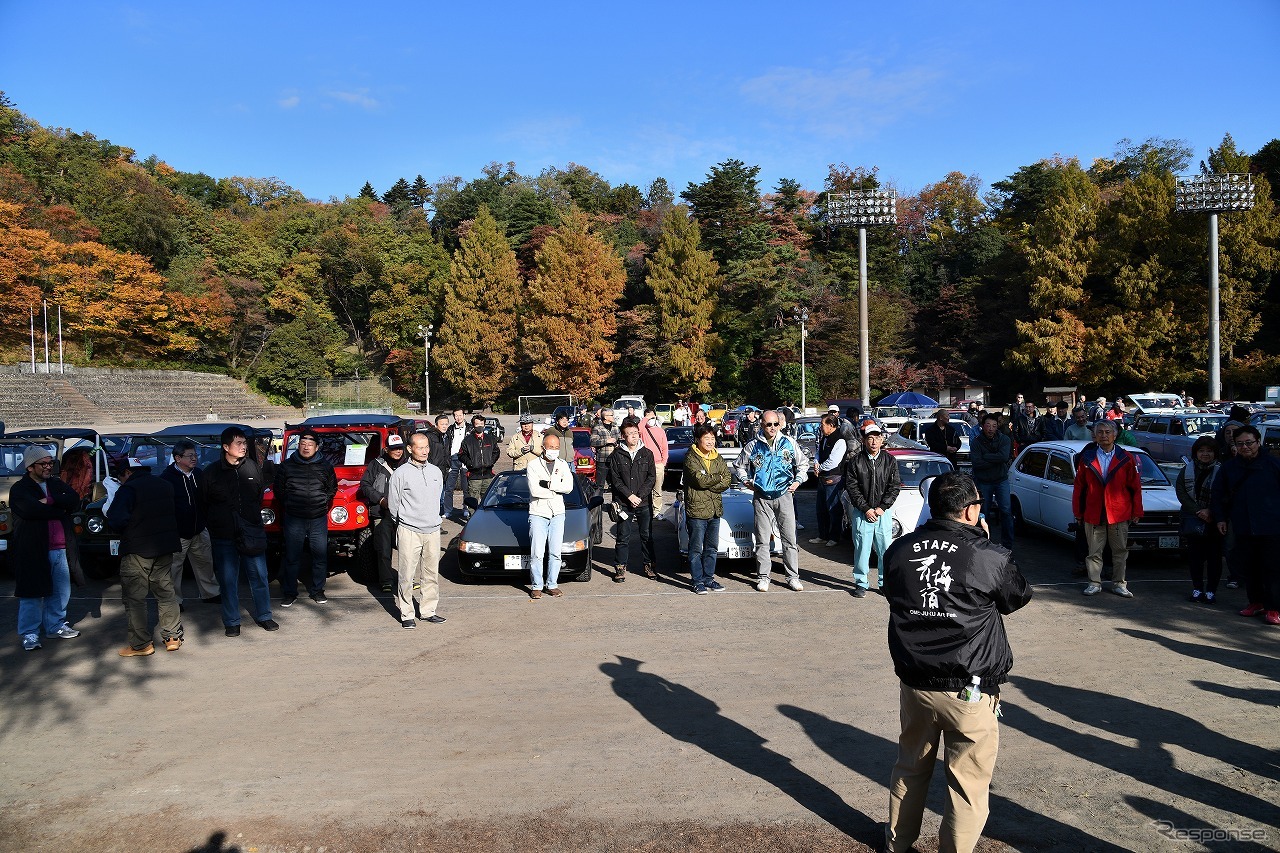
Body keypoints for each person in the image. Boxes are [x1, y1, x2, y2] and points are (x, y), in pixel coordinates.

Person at [883, 472, 1032, 853]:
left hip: (915, 683)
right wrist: (982, 542)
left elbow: (894, 593)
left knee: (910, 769)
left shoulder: (899, 550)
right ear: (970, 510)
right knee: (967, 784)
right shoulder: (988, 555)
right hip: (970, 688)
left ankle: (897, 845)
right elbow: (1016, 597)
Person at [203, 426, 277, 636]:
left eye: (245, 443)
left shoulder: (253, 468)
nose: (244, 447)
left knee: (260, 577)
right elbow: (204, 503)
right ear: (226, 447)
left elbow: (258, 497)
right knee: (228, 581)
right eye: (239, 443)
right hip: (224, 536)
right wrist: (217, 524)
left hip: (251, 533)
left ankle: (264, 615)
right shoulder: (211, 473)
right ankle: (232, 621)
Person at [108, 459, 182, 656]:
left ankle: (141, 644)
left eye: (119, 476)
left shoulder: (128, 489)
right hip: (165, 546)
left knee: (135, 598)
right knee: (165, 592)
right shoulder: (165, 485)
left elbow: (116, 519)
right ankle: (173, 636)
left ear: (126, 473)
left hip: (137, 549)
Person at [11, 446, 82, 651]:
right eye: (43, 463)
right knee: (32, 592)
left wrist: (50, 501)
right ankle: (30, 633)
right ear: (30, 467)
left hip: (59, 547)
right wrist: (60, 509)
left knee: (61, 591)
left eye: (50, 463)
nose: (48, 467)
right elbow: (30, 510)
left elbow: (74, 500)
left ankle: (55, 625)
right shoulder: (20, 489)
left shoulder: (56, 484)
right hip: (33, 549)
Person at [1212, 425, 1280, 624]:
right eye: (1240, 444)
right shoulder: (1229, 468)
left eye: (1249, 443)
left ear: (1258, 442)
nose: (1245, 447)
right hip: (1243, 525)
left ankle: (1274, 608)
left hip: (1272, 526)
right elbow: (1218, 494)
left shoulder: (1273, 465)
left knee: (1273, 568)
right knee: (1249, 567)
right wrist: (1220, 518)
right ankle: (1255, 602)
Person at [734, 410, 807, 592]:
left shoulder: (789, 443)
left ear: (780, 424)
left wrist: (798, 480)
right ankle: (763, 577)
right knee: (762, 539)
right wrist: (746, 481)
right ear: (762, 425)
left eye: (775, 424)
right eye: (768, 424)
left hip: (784, 495)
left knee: (789, 538)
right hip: (761, 497)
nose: (772, 428)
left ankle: (792, 577)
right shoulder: (752, 446)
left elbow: (803, 463)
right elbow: (739, 465)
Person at [1072, 420, 1142, 598]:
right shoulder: (1087, 457)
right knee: (1094, 552)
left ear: (1115, 435)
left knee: (1119, 551)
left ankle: (1119, 583)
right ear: (1095, 435)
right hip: (1093, 512)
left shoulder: (1126, 457)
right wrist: (1078, 512)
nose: (1104, 435)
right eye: (1100, 432)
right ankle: (1094, 583)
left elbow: (1135, 486)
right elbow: (1079, 487)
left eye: (1108, 432)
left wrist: (1137, 511)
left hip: (1118, 512)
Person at [387, 432, 446, 628]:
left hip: (432, 530)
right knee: (406, 574)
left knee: (430, 573)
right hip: (409, 530)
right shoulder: (400, 473)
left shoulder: (436, 472)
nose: (424, 451)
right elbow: (394, 505)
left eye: (427, 447)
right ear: (410, 449)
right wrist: (404, 522)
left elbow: (438, 498)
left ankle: (428, 611)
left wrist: (433, 520)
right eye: (420, 448)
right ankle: (407, 614)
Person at [274, 429, 338, 607]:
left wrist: (324, 502)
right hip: (294, 518)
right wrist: (288, 503)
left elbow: (332, 487)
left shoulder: (325, 466)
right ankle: (289, 593)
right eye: (302, 444)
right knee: (292, 557)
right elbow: (279, 489)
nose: (306, 447)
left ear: (317, 447)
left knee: (320, 556)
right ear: (298, 445)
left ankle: (317, 591)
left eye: (310, 444)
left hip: (318, 518)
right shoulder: (287, 465)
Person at [160, 440, 220, 608]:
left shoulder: (199, 474)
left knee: (205, 563)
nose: (195, 458)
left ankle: (211, 593)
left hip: (200, 529)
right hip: (178, 533)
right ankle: (175, 601)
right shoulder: (167, 479)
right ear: (178, 458)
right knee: (174, 569)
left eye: (195, 454)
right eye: (190, 455)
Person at [844, 422, 900, 597]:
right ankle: (861, 583)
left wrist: (883, 507)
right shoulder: (855, 462)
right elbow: (852, 488)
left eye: (877, 437)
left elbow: (895, 486)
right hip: (862, 513)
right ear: (864, 440)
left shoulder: (890, 460)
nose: (874, 442)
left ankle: (884, 583)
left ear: (882, 439)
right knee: (862, 549)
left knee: (885, 550)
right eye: (870, 438)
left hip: (883, 513)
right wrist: (866, 508)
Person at [683, 424, 731, 594]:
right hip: (697, 510)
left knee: (711, 548)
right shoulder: (691, 458)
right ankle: (697, 581)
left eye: (712, 438)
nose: (710, 441)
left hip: (714, 509)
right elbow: (699, 480)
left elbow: (727, 480)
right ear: (698, 439)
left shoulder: (717, 457)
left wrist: (712, 482)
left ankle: (709, 578)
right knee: (696, 548)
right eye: (707, 438)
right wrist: (716, 478)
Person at [607, 421, 657, 581]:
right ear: (623, 436)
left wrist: (640, 496)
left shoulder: (647, 453)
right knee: (623, 537)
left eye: (636, 432)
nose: (634, 436)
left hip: (643, 502)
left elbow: (651, 478)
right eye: (630, 433)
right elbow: (615, 480)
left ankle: (649, 566)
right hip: (623, 503)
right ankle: (620, 568)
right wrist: (629, 496)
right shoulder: (616, 455)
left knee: (647, 536)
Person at [525, 432, 574, 599]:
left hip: (558, 513)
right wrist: (556, 489)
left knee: (555, 552)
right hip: (538, 512)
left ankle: (552, 584)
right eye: (550, 447)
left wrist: (549, 485)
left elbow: (568, 487)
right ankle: (537, 585)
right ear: (543, 447)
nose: (553, 450)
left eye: (556, 447)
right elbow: (535, 490)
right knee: (537, 553)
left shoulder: (563, 465)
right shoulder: (533, 465)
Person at [357, 432, 407, 593]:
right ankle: (386, 580)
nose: (398, 451)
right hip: (381, 513)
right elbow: (365, 485)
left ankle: (407, 579)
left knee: (408, 549)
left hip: (405, 514)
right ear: (386, 449)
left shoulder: (408, 465)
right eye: (394, 449)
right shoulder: (375, 464)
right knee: (383, 549)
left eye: (400, 448)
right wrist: (380, 500)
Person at [1176, 435, 1222, 604]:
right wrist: (1198, 511)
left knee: (1214, 558)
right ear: (1195, 453)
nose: (1205, 454)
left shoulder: (1221, 470)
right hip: (1192, 519)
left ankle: (1211, 591)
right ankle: (1197, 588)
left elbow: (1225, 494)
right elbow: (1181, 492)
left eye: (1209, 451)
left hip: (1214, 520)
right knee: (1195, 557)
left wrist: (1211, 511)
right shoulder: (1187, 470)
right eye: (1201, 451)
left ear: (1215, 453)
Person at [970, 413, 1015, 549]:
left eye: (994, 426)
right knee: (984, 512)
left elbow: (1004, 457)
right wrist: (995, 459)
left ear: (997, 427)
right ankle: (983, 542)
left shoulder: (1004, 439)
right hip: (983, 481)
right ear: (982, 426)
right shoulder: (976, 441)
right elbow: (977, 463)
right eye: (988, 425)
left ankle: (1008, 544)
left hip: (1001, 480)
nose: (991, 429)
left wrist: (986, 457)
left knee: (1006, 511)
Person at [810, 413, 847, 547]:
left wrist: (820, 468)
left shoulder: (840, 440)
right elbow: (819, 452)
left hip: (833, 479)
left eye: (822, 425)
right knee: (821, 509)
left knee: (834, 509)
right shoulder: (824, 438)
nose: (820, 427)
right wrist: (816, 463)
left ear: (831, 426)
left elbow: (833, 462)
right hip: (822, 478)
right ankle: (823, 535)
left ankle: (834, 537)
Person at [459, 414, 499, 516]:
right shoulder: (467, 440)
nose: (479, 426)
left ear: (484, 425)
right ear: (473, 425)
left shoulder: (490, 439)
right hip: (474, 476)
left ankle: (488, 518)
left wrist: (490, 462)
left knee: (489, 500)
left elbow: (496, 452)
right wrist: (470, 463)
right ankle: (473, 520)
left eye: (481, 423)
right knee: (473, 500)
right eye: (477, 424)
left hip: (488, 475)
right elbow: (461, 455)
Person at [638, 407, 670, 516]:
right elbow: (638, 428)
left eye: (652, 416)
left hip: (658, 464)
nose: (651, 419)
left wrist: (663, 463)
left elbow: (665, 448)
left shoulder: (660, 431)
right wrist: (646, 418)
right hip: (644, 464)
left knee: (657, 490)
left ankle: (657, 512)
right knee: (644, 489)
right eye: (648, 417)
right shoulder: (643, 430)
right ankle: (644, 511)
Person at [442, 409, 467, 519]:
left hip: (465, 459)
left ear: (464, 415)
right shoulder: (450, 429)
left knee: (466, 487)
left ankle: (466, 508)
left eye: (460, 415)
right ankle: (448, 510)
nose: (458, 417)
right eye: (456, 416)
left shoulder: (470, 428)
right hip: (453, 459)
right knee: (449, 487)